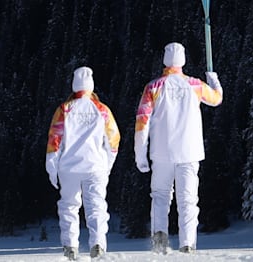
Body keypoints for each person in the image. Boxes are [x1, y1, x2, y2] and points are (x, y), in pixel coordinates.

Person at [134, 42, 223, 254]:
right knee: (188, 201)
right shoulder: (195, 85)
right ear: (183, 60)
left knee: (160, 198)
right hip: (189, 151)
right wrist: (214, 80)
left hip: (161, 152)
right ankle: (188, 244)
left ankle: (159, 242)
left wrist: (140, 154)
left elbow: (142, 123)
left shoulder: (153, 87)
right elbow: (217, 99)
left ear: (165, 60)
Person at [46, 67, 121, 260]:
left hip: (68, 168)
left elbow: (54, 141)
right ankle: (98, 244)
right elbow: (113, 140)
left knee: (69, 207)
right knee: (96, 207)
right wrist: (107, 164)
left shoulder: (64, 109)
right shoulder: (102, 109)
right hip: (95, 166)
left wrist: (52, 168)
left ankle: (70, 246)